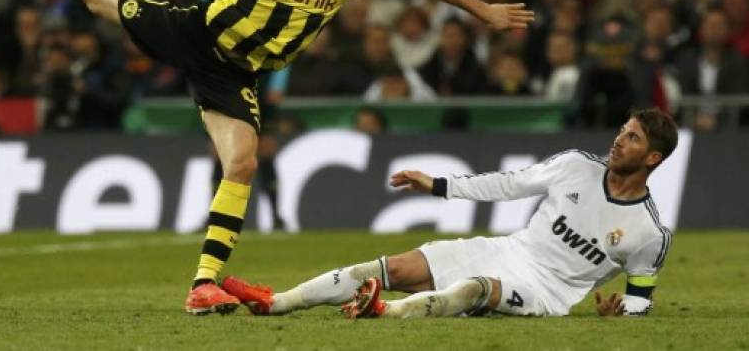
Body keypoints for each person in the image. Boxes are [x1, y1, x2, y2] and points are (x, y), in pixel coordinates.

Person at [79, 0, 535, 316]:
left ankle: (203, 284)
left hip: (237, 74)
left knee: (241, 162)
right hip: (197, 33)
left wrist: (482, 11)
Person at [222, 108, 677, 319]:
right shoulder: (576, 165)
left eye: (633, 138)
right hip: (506, 249)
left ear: (653, 158)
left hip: (545, 291)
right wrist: (440, 185)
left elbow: (641, 297)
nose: (619, 140)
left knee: (473, 290)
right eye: (622, 130)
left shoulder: (649, 232)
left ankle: (384, 312)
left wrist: (625, 314)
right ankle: (275, 302)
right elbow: (509, 183)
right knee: (392, 266)